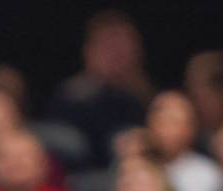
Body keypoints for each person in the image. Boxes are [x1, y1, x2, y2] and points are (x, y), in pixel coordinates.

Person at [48, 10, 151, 165]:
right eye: (109, 46)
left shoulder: (148, 98)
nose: (117, 55)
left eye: (123, 46)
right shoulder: (71, 97)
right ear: (89, 51)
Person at [141, 90, 223, 191]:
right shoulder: (136, 167)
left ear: (190, 128)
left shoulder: (205, 173)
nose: (165, 129)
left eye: (173, 122)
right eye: (160, 121)